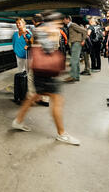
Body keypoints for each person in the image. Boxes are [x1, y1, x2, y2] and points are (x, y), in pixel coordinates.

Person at [11, 12, 80, 146]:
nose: (60, 25)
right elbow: (48, 49)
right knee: (57, 101)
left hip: (40, 71)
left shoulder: (38, 30)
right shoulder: (46, 31)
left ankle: (18, 121)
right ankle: (61, 134)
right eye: (58, 23)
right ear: (53, 21)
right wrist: (54, 36)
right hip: (47, 73)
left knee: (33, 97)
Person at [30, 14, 49, 107]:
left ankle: (33, 97)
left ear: (34, 21)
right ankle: (45, 99)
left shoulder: (36, 30)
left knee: (32, 77)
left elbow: (36, 45)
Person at [63, 15, 87, 83]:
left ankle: (73, 76)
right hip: (74, 43)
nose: (63, 21)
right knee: (76, 61)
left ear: (68, 19)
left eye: (64, 19)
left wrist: (83, 40)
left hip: (76, 43)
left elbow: (84, 31)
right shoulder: (70, 26)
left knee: (73, 60)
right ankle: (76, 77)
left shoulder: (73, 25)